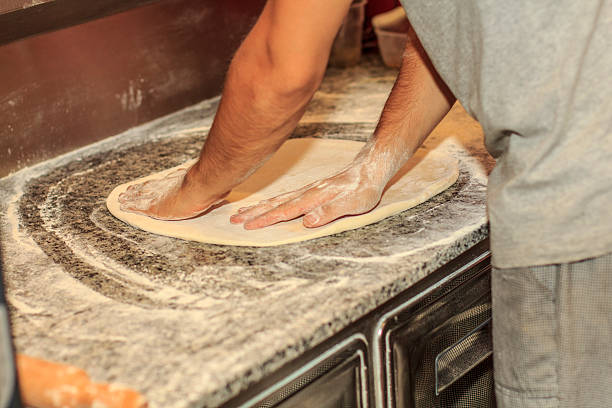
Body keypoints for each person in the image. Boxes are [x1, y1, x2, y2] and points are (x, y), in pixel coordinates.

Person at [119, 1, 612, 407]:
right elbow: (451, 25)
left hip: (585, 202)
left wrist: (195, 187)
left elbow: (280, 68)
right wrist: (376, 163)